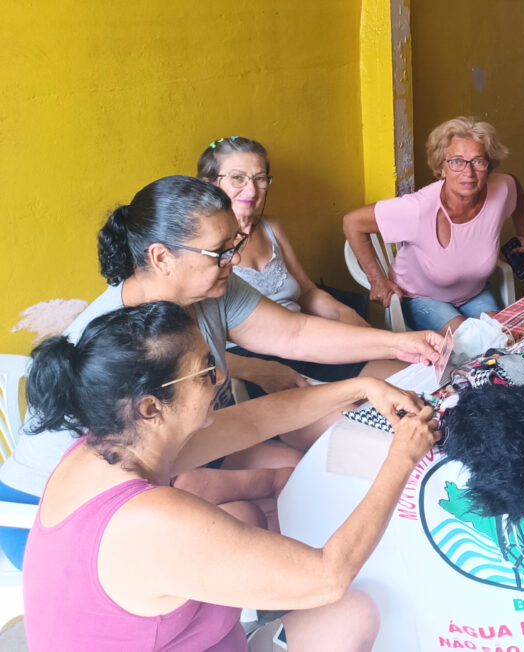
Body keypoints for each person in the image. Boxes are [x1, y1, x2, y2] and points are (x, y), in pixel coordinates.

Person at [21, 301, 438, 650]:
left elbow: (253, 421)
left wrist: (361, 388)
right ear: (150, 408)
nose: (220, 377)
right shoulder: (148, 522)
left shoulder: (107, 445)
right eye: (205, 370)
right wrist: (401, 457)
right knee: (353, 608)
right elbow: (328, 576)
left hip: (199, 636)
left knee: (266, 532)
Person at [0, 175, 441, 502]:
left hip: (167, 464)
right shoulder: (131, 340)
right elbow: (195, 459)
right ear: (161, 257)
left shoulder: (210, 288)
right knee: (266, 508)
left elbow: (295, 333)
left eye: (235, 244)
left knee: (303, 478)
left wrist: (398, 343)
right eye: (220, 252)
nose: (233, 261)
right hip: (50, 504)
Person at [198, 136, 371, 398]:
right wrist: (257, 370)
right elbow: (192, 348)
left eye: (260, 178)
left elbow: (307, 292)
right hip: (255, 362)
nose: (252, 190)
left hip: (306, 339)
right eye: (237, 178)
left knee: (403, 377)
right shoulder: (197, 246)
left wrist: (344, 315)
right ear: (210, 184)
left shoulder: (271, 227)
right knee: (353, 415)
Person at [343, 116, 524, 334]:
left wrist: (523, 233)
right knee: (467, 340)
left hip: (474, 293)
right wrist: (377, 280)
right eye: (457, 162)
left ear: (488, 167)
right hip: (420, 296)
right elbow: (352, 222)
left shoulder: (501, 189)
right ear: (442, 167)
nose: (468, 173)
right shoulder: (418, 209)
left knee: (506, 336)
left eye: (478, 161)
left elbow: (514, 185)